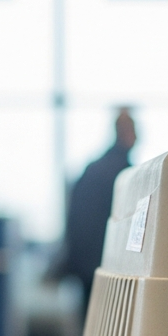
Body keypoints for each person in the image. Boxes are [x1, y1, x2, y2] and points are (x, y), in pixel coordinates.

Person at [56, 108, 137, 324]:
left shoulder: (93, 169)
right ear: (126, 133)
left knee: (92, 326)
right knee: (113, 325)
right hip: (111, 262)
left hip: (88, 262)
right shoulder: (126, 174)